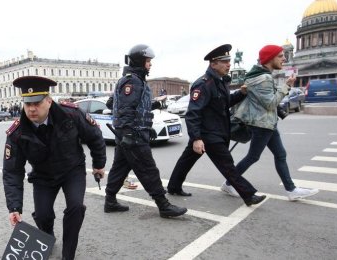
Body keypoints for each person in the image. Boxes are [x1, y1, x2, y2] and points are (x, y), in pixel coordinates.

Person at [2, 76, 106, 260]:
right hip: (43, 176)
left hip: (71, 170)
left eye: (37, 103)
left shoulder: (71, 114)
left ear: (49, 101)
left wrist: (98, 165)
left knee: (75, 208)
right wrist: (14, 207)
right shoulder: (17, 133)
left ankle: (68, 254)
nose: (32, 109)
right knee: (43, 215)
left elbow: (94, 136)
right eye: (28, 104)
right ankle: (47, 237)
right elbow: (12, 172)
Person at [166, 44, 266, 207]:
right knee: (227, 165)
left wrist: (241, 93)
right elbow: (193, 113)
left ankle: (173, 186)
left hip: (216, 132)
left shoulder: (219, 82)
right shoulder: (203, 84)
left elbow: (225, 103)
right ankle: (248, 195)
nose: (229, 64)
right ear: (213, 64)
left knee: (186, 160)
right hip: (208, 134)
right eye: (225, 61)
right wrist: (197, 138)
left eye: (229, 61)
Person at [104, 44, 187, 218]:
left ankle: (110, 201)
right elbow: (125, 108)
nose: (150, 64)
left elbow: (112, 104)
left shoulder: (129, 79)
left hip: (130, 134)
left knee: (119, 169)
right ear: (140, 61)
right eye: (148, 61)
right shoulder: (133, 81)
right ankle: (163, 205)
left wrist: (153, 105)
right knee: (148, 169)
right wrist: (128, 132)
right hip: (132, 136)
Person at [231, 44, 319, 201]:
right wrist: (287, 86)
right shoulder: (264, 78)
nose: (284, 58)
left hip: (267, 123)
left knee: (279, 154)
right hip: (262, 125)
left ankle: (291, 190)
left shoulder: (262, 76)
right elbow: (270, 103)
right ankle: (230, 182)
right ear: (269, 58)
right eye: (280, 56)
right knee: (254, 157)